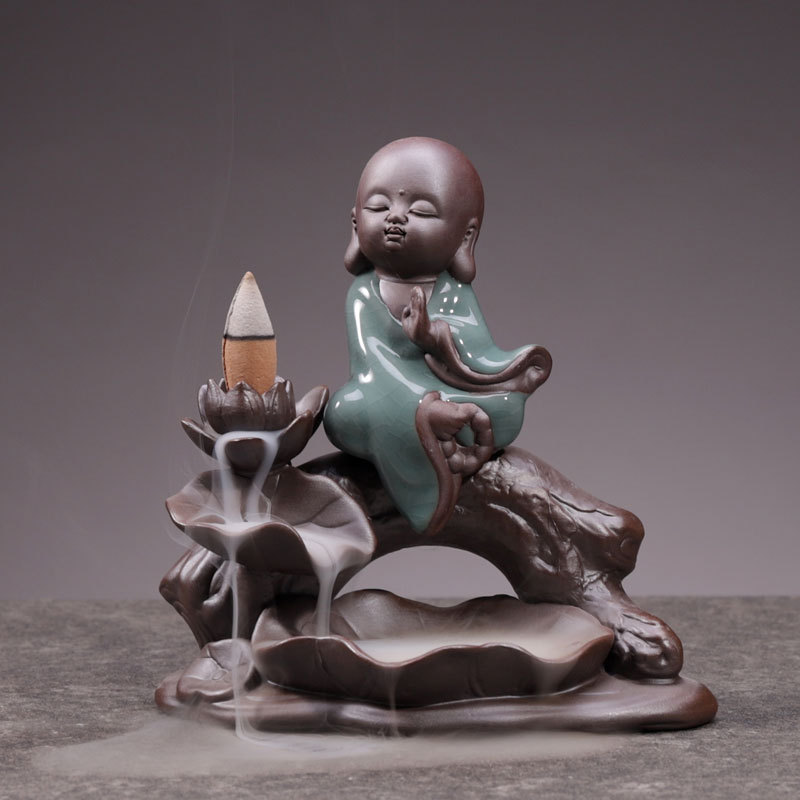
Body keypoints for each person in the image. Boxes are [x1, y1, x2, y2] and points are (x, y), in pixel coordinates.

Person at [324, 137, 551, 534]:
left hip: (453, 397)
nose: (395, 217)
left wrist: (433, 335)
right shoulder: (363, 294)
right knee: (341, 412)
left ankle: (433, 422)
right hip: (389, 396)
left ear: (465, 238)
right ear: (356, 224)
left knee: (504, 409)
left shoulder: (454, 293)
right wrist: (421, 405)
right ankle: (429, 422)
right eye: (379, 207)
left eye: (421, 211)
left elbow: (479, 351)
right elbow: (370, 365)